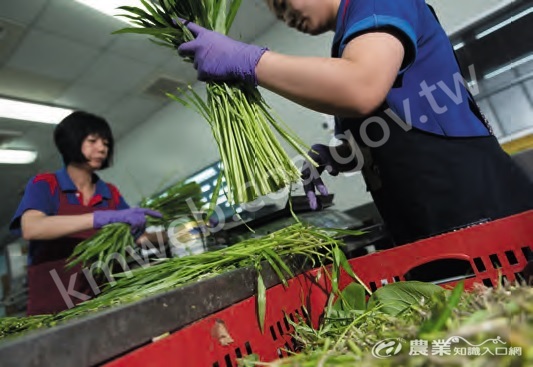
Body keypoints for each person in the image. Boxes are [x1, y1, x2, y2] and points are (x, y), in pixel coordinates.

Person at [176, 0, 533, 247]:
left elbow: (361, 86)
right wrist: (338, 155)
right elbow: (389, 123)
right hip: (419, 205)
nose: (285, 17)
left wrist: (248, 60)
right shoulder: (348, 41)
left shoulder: (376, 3)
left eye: (285, 3)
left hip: (467, 195)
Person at [10, 111, 162, 315]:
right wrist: (98, 218)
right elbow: (31, 227)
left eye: (106, 144)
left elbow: (138, 239)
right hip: (55, 309)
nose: (102, 148)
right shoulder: (46, 184)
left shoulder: (110, 192)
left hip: (107, 302)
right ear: (71, 142)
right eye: (93, 141)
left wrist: (178, 232)